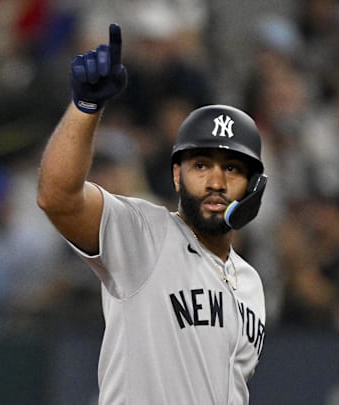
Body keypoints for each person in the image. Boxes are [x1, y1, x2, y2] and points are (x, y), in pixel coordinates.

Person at [37, 24, 267, 404]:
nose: (215, 181)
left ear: (253, 185)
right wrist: (85, 109)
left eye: (232, 169)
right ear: (176, 175)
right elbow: (57, 197)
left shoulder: (251, 282)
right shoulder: (146, 234)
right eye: (200, 165)